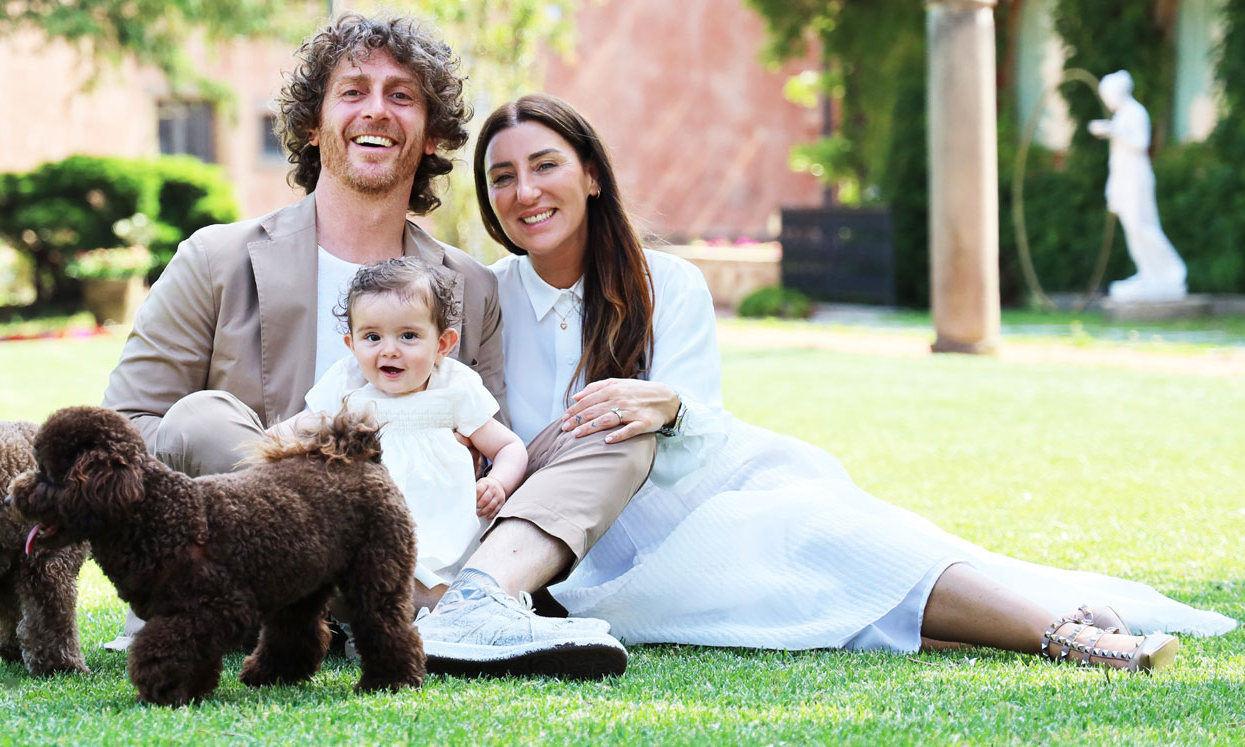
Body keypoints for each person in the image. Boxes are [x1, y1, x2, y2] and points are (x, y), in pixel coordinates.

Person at [472, 93, 1237, 671]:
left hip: (710, 498)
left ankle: (1066, 633)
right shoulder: (486, 299)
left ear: (592, 175)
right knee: (832, 588)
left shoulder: (664, 282)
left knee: (830, 538)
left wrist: (667, 404)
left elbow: (703, 428)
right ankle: (1062, 628)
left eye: (545, 165)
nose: (525, 191)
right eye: (503, 177)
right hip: (599, 564)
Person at [100, 12, 640, 677]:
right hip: (268, 553)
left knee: (613, 423)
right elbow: (127, 430)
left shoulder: (470, 286)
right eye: (353, 91)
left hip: (421, 548)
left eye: (401, 95)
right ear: (312, 123)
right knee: (200, 419)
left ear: (432, 133)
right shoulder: (215, 259)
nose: (376, 110)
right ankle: (348, 615)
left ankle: (471, 602)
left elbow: (482, 442)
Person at [302, 257, 528, 606]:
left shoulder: (453, 387)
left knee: (443, 586)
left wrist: (498, 482)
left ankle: (447, 612)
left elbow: (509, 446)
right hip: (369, 527)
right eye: (372, 337)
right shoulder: (346, 383)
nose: (389, 350)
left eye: (408, 336)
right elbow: (299, 430)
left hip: (443, 526)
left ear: (442, 345)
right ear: (352, 344)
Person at [1088, 70, 1188, 300]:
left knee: (1142, 226)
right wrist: (1112, 187)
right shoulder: (1121, 116)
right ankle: (1149, 274)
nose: (1107, 101)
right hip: (1123, 179)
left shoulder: (1135, 113)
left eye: (1108, 96)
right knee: (1132, 229)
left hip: (1136, 178)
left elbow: (1141, 143)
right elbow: (1116, 159)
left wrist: (1113, 130)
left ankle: (1172, 273)